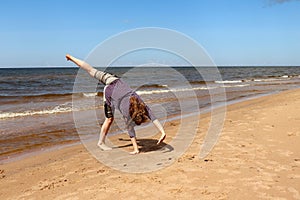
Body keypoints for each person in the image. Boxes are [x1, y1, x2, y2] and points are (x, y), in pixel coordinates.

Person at [66, 54, 166, 154]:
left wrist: (162, 132)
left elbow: (151, 115)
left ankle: (70, 57)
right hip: (109, 91)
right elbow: (130, 129)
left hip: (114, 79)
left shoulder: (139, 101)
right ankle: (100, 143)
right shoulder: (127, 114)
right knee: (109, 119)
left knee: (91, 70)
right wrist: (136, 149)